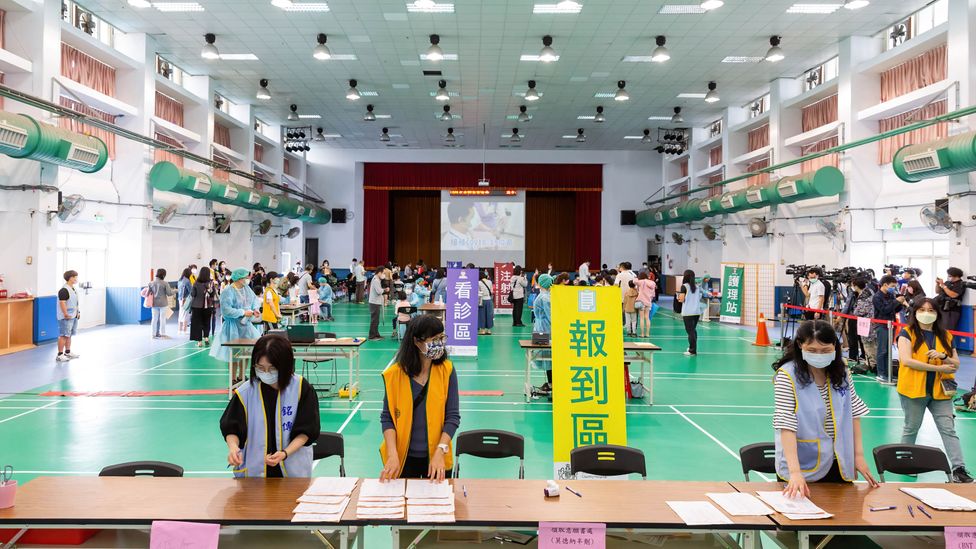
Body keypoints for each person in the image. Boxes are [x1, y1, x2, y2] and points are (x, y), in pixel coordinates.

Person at [773, 320, 878, 497]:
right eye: (812, 350)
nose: (819, 355)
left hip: (839, 461)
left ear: (835, 346)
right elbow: (786, 425)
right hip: (802, 464)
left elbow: (853, 413)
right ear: (800, 345)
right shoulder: (787, 375)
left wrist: (858, 455)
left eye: (825, 350)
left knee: (844, 516)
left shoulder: (842, 370)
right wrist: (795, 473)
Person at [896, 299, 973, 483]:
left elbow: (956, 364)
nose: (926, 313)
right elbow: (906, 361)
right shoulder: (907, 333)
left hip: (941, 392)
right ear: (915, 312)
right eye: (922, 309)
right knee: (911, 427)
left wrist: (944, 356)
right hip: (913, 390)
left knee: (948, 429)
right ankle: (904, 464)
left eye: (930, 310)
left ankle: (959, 469)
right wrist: (940, 368)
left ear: (937, 313)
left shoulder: (946, 335)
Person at [222, 334, 320, 478]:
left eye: (272, 368)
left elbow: (306, 430)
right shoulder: (245, 392)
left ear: (285, 365)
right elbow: (232, 427)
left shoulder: (301, 388)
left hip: (292, 471)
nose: (266, 373)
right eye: (260, 367)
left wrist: (285, 453)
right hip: (254, 474)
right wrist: (233, 448)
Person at [380, 315, 460, 481]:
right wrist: (392, 454)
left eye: (441, 338)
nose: (439, 344)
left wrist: (440, 450)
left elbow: (452, 417)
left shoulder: (447, 370)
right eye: (434, 339)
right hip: (403, 459)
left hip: (438, 456)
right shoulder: (394, 374)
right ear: (417, 342)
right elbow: (387, 418)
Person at [210, 268, 263, 382]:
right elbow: (226, 311)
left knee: (247, 351)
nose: (247, 279)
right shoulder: (228, 291)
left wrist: (256, 309)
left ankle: (242, 376)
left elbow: (254, 300)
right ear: (239, 279)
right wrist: (243, 312)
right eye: (245, 277)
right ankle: (233, 378)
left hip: (246, 325)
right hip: (233, 326)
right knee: (234, 354)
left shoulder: (246, 289)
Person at [872, 275, 908, 384]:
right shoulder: (877, 297)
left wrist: (900, 303)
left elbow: (894, 309)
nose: (893, 288)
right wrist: (896, 301)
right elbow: (885, 310)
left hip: (891, 325)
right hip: (881, 325)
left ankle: (889, 373)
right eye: (892, 286)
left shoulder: (891, 295)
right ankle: (881, 373)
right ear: (885, 285)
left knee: (889, 350)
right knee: (882, 350)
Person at [844, 277, 876, 372]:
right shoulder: (869, 291)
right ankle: (870, 362)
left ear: (856, 286)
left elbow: (859, 311)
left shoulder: (864, 296)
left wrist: (854, 311)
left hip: (866, 323)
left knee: (868, 343)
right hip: (868, 321)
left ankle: (872, 364)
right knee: (869, 343)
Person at [533, 274, 554, 393]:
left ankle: (551, 383)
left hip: (544, 328)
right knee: (547, 356)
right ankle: (550, 382)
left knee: (547, 356)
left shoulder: (544, 298)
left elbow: (550, 315)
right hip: (542, 326)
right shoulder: (545, 296)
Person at [56, 270, 81, 362]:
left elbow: (75, 303)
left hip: (73, 316)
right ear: (70, 278)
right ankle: (59, 355)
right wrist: (66, 313)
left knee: (69, 335)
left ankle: (67, 352)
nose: (76, 279)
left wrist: (78, 313)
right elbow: (62, 303)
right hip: (65, 317)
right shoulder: (64, 290)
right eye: (75, 277)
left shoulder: (73, 289)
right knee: (63, 335)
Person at [677, 269, 701, 357]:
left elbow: (681, 299)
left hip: (688, 312)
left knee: (690, 332)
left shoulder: (684, 286)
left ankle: (692, 351)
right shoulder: (697, 287)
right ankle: (692, 347)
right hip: (697, 312)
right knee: (693, 331)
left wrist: (678, 297)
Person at [190, 267, 216, 347]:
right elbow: (213, 294)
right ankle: (206, 338)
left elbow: (192, 294)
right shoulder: (211, 283)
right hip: (208, 306)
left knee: (197, 324)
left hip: (197, 306)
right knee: (206, 322)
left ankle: (199, 342)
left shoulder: (196, 283)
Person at [935, 267, 965, 332]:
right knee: (940, 329)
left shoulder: (961, 284)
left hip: (952, 310)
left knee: (948, 330)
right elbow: (938, 292)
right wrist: (938, 284)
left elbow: (953, 295)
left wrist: (943, 285)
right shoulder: (947, 283)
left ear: (956, 276)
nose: (948, 277)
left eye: (950, 276)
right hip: (942, 308)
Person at [148, 269, 174, 340]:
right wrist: (175, 291)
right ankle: (163, 334)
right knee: (162, 319)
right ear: (163, 275)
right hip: (163, 304)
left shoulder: (151, 283)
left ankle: (153, 334)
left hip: (154, 304)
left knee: (154, 319)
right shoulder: (165, 283)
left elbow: (147, 293)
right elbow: (169, 293)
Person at [368, 268, 389, 340]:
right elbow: (379, 291)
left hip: (376, 302)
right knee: (374, 320)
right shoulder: (376, 280)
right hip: (374, 302)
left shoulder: (377, 279)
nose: (384, 275)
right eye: (383, 273)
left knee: (376, 320)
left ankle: (376, 334)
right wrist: (385, 290)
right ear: (379, 272)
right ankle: (372, 336)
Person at [635, 271, 656, 338]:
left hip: (641, 301)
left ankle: (642, 334)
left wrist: (635, 277)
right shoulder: (653, 283)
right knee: (647, 318)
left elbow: (634, 281)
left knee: (641, 318)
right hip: (648, 302)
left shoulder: (641, 281)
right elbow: (653, 295)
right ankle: (647, 334)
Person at [478, 270, 494, 336]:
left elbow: (478, 292)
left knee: (482, 315)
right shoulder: (490, 281)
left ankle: (483, 330)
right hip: (489, 300)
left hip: (482, 300)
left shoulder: (478, 283)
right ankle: (489, 330)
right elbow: (492, 291)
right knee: (489, 315)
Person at [177, 268, 193, 334]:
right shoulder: (187, 281)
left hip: (180, 299)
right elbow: (191, 290)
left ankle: (179, 330)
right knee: (185, 315)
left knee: (180, 314)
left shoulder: (180, 280)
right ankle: (184, 330)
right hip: (186, 299)